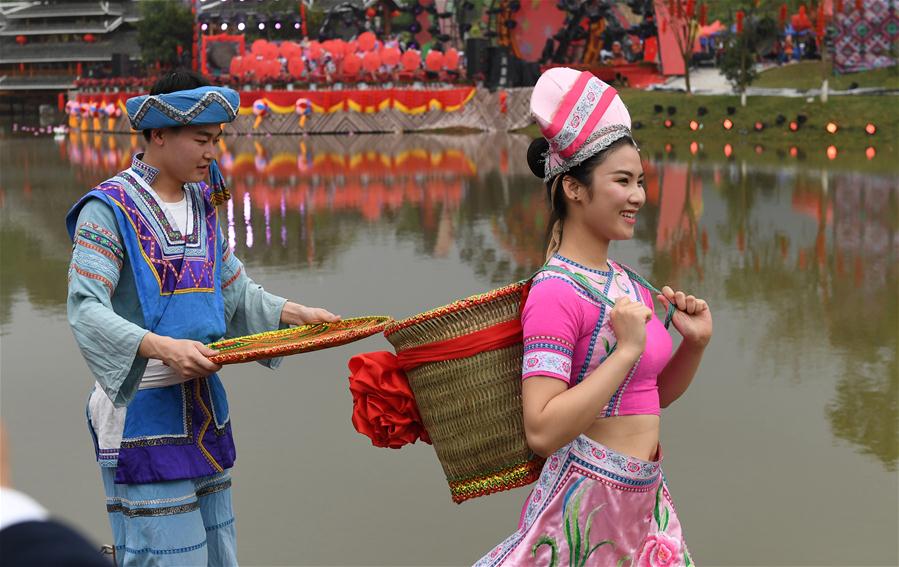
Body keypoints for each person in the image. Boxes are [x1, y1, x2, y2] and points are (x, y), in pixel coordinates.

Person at [65, 70, 339, 566]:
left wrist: (300, 315)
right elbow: (86, 308)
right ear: (157, 135)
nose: (213, 152)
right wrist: (164, 347)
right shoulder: (108, 209)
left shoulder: (202, 203)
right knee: (166, 557)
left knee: (218, 552)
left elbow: (232, 288)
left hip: (203, 408)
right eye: (201, 139)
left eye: (217, 139)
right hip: (142, 410)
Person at [475, 68, 712, 566]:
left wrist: (694, 346)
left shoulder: (628, 284)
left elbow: (648, 396)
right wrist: (625, 349)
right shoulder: (555, 292)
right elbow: (541, 429)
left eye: (641, 182)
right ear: (574, 189)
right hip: (584, 513)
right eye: (622, 181)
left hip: (646, 509)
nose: (639, 197)